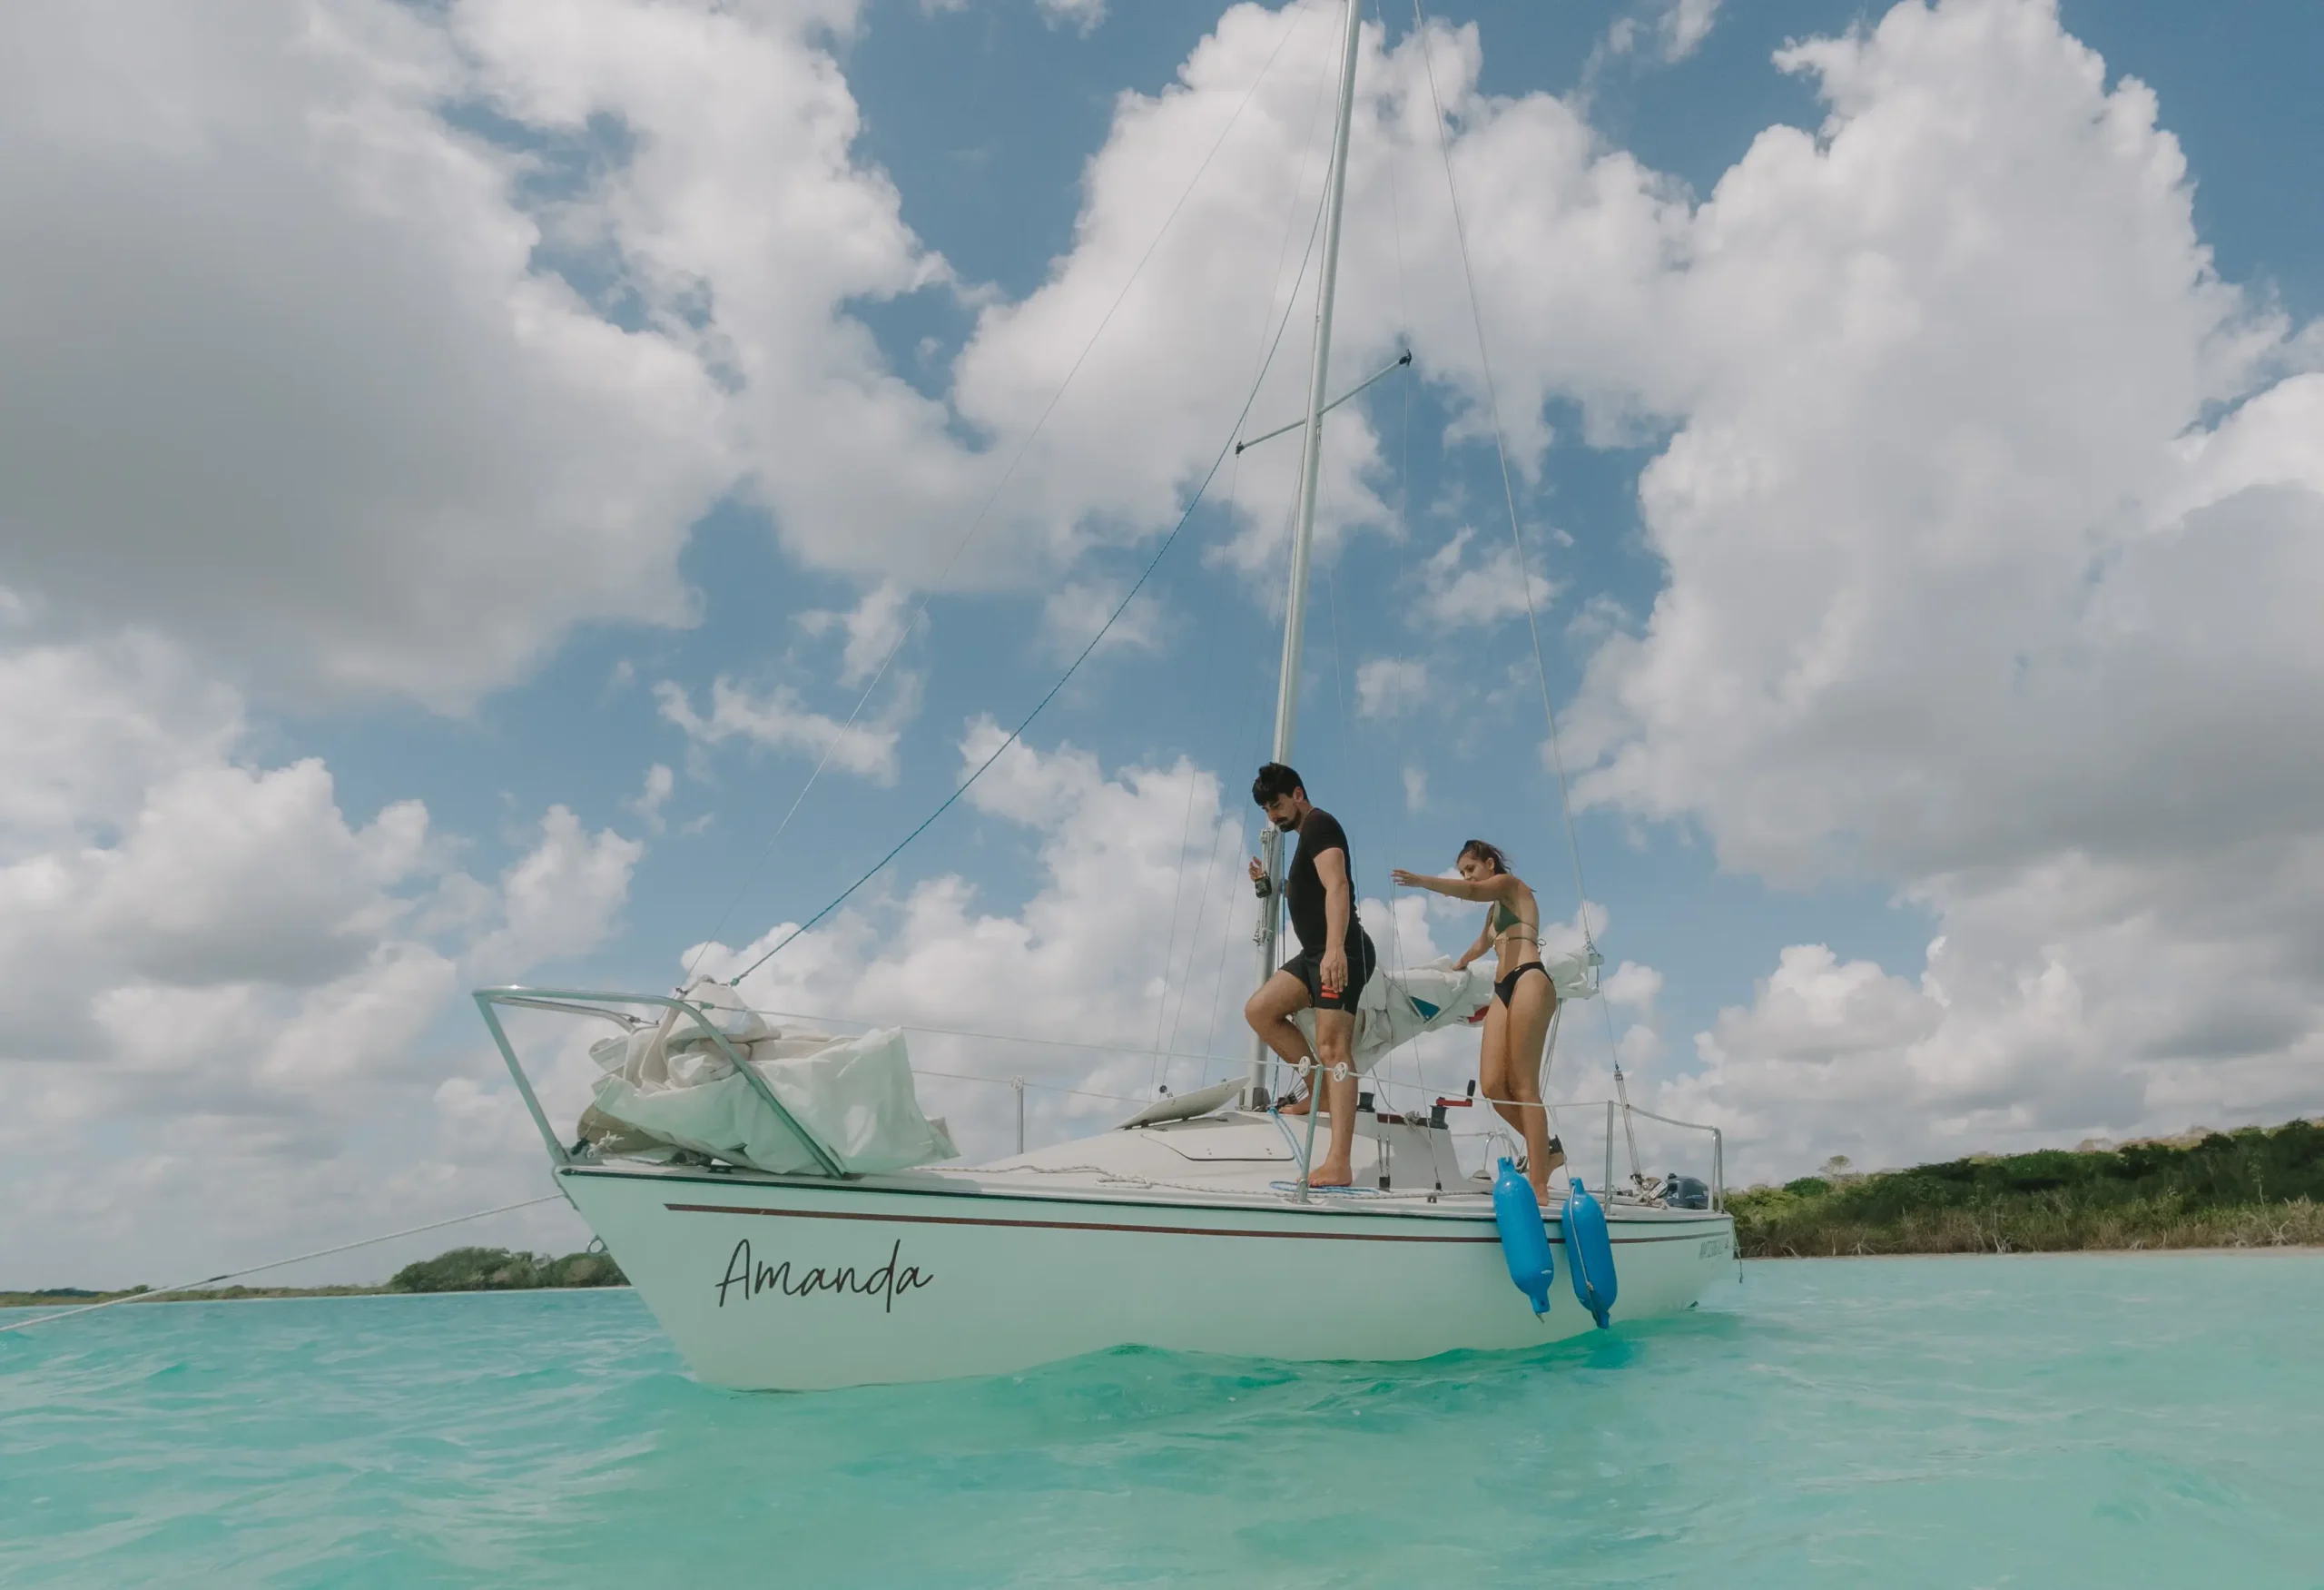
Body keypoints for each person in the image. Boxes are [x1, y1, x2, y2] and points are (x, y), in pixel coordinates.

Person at [1391, 840, 1565, 1204]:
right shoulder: (1493, 913)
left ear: (1490, 864)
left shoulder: (1512, 887)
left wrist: (1424, 882)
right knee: (1492, 1086)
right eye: (1462, 872)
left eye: (1470, 869)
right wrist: (1454, 968)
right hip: (1502, 987)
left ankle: (1538, 1183)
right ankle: (1546, 1153)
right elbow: (1479, 947)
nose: (1467, 877)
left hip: (1530, 978)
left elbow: (1470, 892)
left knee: (1523, 1085)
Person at [1243, 763, 1376, 1189]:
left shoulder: (1320, 825)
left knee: (1333, 1047)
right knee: (1261, 1011)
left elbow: (1338, 887)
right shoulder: (1305, 838)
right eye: (1267, 808)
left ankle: (1339, 1162)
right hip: (1313, 954)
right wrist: (1268, 884)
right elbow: (1307, 892)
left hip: (1341, 950)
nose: (1273, 815)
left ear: (1297, 794)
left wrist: (1337, 950)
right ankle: (1315, 1088)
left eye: (1277, 805)